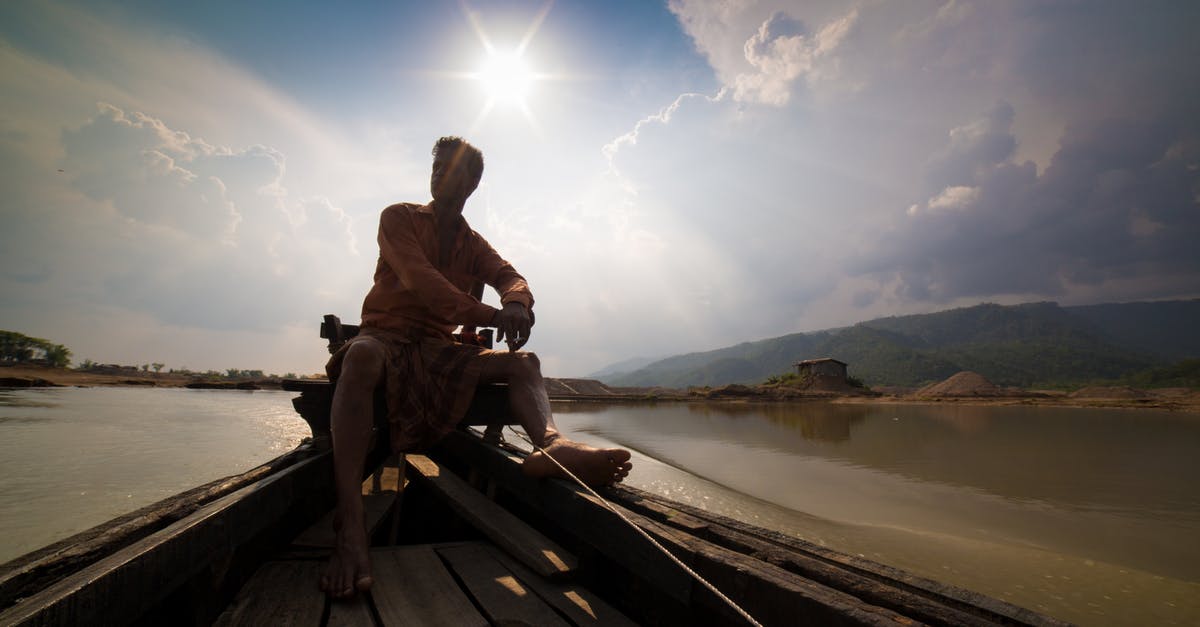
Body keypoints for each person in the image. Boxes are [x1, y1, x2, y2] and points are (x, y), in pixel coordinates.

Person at [320, 136, 633, 599]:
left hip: (439, 348)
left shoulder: (473, 243)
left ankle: (550, 445)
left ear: (472, 183)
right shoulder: (398, 217)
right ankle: (351, 524)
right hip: (387, 337)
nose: (439, 173)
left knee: (525, 362)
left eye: (452, 168)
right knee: (362, 356)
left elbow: (512, 276)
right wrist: (493, 316)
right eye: (436, 165)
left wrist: (517, 303)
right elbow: (425, 284)